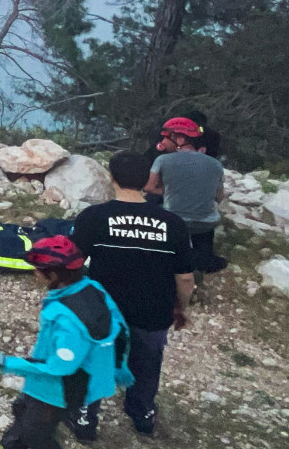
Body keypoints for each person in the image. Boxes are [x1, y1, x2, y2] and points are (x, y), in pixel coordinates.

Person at [70, 152, 195, 440]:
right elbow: (186, 277)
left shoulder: (94, 217)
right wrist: (181, 308)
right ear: (147, 182)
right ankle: (143, 415)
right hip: (153, 312)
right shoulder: (172, 223)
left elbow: (71, 264)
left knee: (94, 360)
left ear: (111, 177)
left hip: (104, 312)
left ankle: (86, 419)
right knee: (147, 362)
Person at [0, 236, 132, 449]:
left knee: (36, 436)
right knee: (23, 414)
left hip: (56, 390)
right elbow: (120, 330)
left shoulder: (66, 319)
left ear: (53, 274)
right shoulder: (92, 288)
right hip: (68, 381)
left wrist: (8, 364)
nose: (34, 273)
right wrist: (119, 368)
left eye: (36, 269)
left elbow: (59, 368)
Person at [146, 117, 228, 274]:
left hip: (174, 222)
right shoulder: (215, 164)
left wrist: (168, 191)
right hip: (206, 223)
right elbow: (219, 197)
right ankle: (204, 260)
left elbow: (149, 187)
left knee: (151, 205)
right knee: (204, 223)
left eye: (166, 137)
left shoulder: (162, 159)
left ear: (180, 139)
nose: (163, 141)